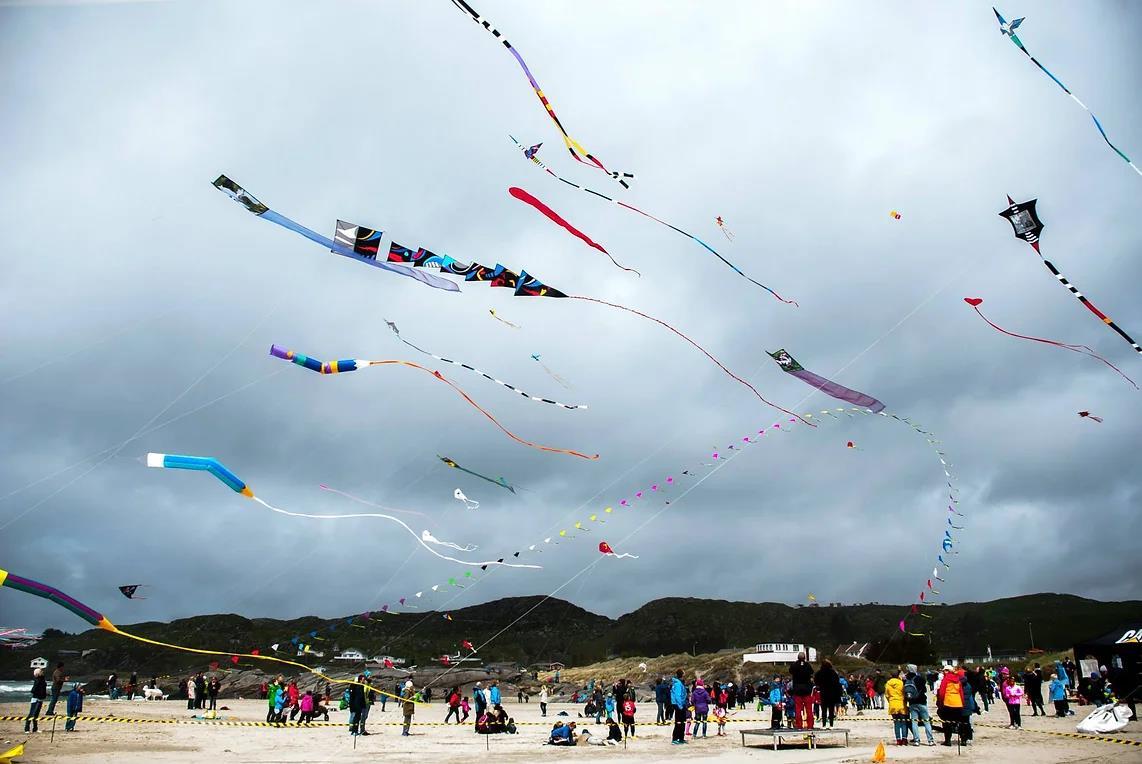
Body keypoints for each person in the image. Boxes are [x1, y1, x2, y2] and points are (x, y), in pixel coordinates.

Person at [904, 664, 935, 746]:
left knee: (914, 722)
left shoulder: (906, 679)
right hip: (921, 701)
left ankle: (917, 740)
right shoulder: (920, 679)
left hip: (912, 702)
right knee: (926, 721)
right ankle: (930, 740)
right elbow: (924, 690)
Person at [936, 665, 966, 746]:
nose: (943, 672)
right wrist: (962, 703)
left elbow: (942, 693)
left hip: (948, 703)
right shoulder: (958, 680)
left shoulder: (946, 680)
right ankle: (963, 740)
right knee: (960, 722)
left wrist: (940, 703)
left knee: (947, 723)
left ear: (948, 671)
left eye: (945, 671)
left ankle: (948, 740)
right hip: (958, 703)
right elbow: (961, 693)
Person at [789, 651, 815, 729]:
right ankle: (810, 725)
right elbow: (812, 672)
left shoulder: (794, 665)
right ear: (805, 657)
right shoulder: (807, 665)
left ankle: (799, 725)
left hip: (797, 689)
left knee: (798, 709)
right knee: (809, 709)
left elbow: (790, 671)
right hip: (807, 689)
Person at [815, 659, 842, 729]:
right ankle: (831, 725)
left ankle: (824, 725)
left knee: (823, 709)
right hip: (832, 692)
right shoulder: (833, 672)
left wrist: (819, 686)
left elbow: (816, 681)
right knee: (831, 709)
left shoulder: (819, 672)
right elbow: (837, 683)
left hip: (823, 691)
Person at [886, 669, 908, 746]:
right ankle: (904, 739)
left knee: (896, 723)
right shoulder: (901, 682)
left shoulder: (888, 683)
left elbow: (887, 695)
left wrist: (890, 701)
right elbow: (904, 692)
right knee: (904, 723)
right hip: (901, 703)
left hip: (893, 703)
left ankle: (898, 740)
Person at [24, 667, 47, 733]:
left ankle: (35, 728)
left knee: (36, 715)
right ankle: (27, 728)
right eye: (41, 671)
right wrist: (39, 694)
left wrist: (44, 694)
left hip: (40, 698)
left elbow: (43, 689)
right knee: (31, 714)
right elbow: (33, 690)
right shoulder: (37, 680)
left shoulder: (42, 680)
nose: (42, 672)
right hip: (36, 698)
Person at [670, 669, 688, 745]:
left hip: (682, 704)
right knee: (679, 722)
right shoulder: (677, 684)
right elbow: (677, 696)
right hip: (678, 705)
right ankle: (675, 738)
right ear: (682, 675)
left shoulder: (680, 683)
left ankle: (681, 738)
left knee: (683, 722)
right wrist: (680, 706)